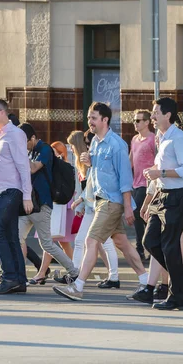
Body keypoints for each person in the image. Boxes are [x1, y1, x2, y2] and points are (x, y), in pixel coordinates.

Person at [52, 102, 148, 301]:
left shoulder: (117, 144)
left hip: (112, 202)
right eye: (89, 118)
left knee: (90, 240)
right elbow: (96, 175)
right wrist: (83, 197)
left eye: (94, 118)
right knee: (123, 243)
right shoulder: (95, 142)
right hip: (98, 201)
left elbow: (125, 178)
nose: (90, 122)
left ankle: (78, 286)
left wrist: (128, 206)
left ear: (105, 120)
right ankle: (147, 283)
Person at [140, 97, 183, 310]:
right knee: (150, 240)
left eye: (155, 113)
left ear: (167, 115)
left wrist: (160, 172)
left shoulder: (179, 138)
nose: (152, 117)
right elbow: (165, 165)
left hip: (178, 196)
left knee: (170, 246)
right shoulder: (162, 138)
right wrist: (153, 173)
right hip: (162, 195)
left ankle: (176, 297)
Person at [16, 124, 79, 286]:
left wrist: (19, 152)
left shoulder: (44, 150)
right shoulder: (29, 150)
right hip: (27, 202)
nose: (23, 145)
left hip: (42, 203)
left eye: (25, 142)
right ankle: (16, 275)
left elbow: (33, 168)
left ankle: (73, 271)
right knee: (16, 238)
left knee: (47, 243)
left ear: (32, 138)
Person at [0, 98, 33, 294]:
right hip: (3, 190)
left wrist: (27, 195)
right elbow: (2, 167)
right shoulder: (1, 134)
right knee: (11, 235)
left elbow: (23, 165)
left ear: (2, 112)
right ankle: (19, 280)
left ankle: (10, 276)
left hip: (13, 191)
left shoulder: (14, 134)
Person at [68, 130, 119, 288]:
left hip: (102, 205)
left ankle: (114, 277)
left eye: (90, 143)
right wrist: (82, 202)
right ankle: (75, 275)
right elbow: (89, 185)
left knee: (106, 243)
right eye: (87, 144)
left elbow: (98, 183)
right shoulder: (90, 159)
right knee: (81, 241)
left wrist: (81, 200)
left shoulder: (100, 156)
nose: (89, 146)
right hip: (92, 206)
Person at [130, 109, 156, 261]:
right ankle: (143, 245)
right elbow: (131, 159)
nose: (135, 123)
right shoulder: (134, 139)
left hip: (148, 184)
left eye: (138, 120)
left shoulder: (152, 139)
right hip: (136, 182)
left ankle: (143, 246)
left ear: (147, 122)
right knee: (139, 215)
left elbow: (157, 159)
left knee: (139, 213)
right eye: (134, 120)